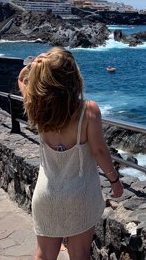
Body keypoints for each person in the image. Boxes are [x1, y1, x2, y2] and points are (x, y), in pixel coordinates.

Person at [18, 47, 124, 260]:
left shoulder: (36, 105)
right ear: (73, 77)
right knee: (80, 255)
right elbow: (100, 151)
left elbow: (21, 79)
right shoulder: (88, 110)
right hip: (80, 195)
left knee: (44, 255)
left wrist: (35, 66)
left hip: (46, 194)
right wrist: (114, 180)